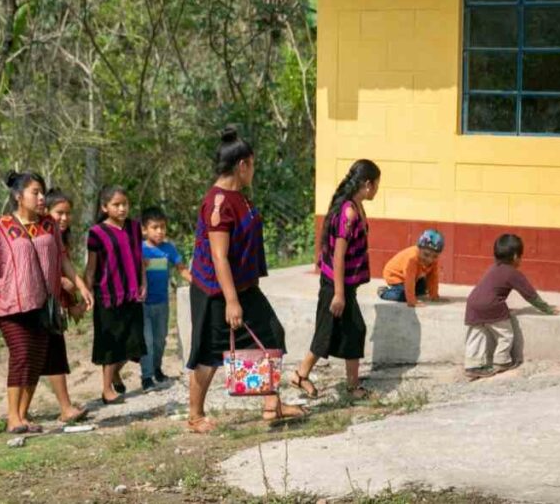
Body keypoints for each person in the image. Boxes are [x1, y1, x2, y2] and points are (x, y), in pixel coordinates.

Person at [186, 126, 305, 433]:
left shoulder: (239, 198)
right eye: (253, 165)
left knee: (270, 334)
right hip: (217, 292)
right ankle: (195, 416)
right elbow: (219, 256)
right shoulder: (218, 204)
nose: (254, 171)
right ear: (242, 165)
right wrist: (231, 301)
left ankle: (271, 405)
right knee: (209, 353)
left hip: (245, 288)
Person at [0, 171, 94, 434]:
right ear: (19, 196)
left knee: (34, 359)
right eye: (35, 192)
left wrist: (80, 286)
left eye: (42, 192)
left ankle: (21, 417)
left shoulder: (50, 225)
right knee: (21, 355)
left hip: (44, 304)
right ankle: (12, 417)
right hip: (11, 304)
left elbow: (63, 259)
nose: (41, 197)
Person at [291, 159, 381, 401]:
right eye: (378, 184)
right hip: (335, 285)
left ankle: (351, 386)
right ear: (368, 184)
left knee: (354, 331)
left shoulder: (355, 206)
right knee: (325, 334)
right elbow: (339, 255)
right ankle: (301, 375)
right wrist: (339, 293)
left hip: (345, 285)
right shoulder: (349, 212)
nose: (378, 189)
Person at [463, 234, 559, 381]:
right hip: (492, 306)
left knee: (476, 336)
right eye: (521, 256)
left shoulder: (493, 268)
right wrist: (547, 309)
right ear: (515, 257)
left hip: (472, 305)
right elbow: (530, 295)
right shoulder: (513, 273)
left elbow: (489, 291)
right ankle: (502, 361)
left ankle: (473, 365)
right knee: (505, 334)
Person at [85, 186, 147, 404]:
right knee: (111, 345)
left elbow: (139, 258)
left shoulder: (134, 228)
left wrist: (143, 282)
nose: (122, 209)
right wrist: (86, 292)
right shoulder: (96, 233)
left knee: (135, 344)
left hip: (132, 294)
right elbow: (91, 268)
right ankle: (106, 389)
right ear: (105, 207)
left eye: (125, 204)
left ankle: (115, 373)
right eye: (116, 205)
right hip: (108, 296)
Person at [40, 188, 91, 423]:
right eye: (59, 212)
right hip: (39, 304)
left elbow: (65, 267)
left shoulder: (61, 239)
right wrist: (61, 282)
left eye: (68, 213)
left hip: (55, 305)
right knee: (49, 356)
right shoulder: (40, 234)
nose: (64, 218)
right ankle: (65, 407)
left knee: (48, 356)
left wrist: (74, 300)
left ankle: (20, 412)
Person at [139, 206, 192, 391]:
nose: (160, 231)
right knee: (147, 341)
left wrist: (198, 282)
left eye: (162, 227)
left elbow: (181, 269)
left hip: (162, 303)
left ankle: (156, 369)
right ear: (144, 229)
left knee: (160, 339)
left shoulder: (168, 248)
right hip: (143, 304)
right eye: (155, 227)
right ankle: (146, 377)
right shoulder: (139, 249)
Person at [378, 229, 444, 307]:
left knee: (422, 289)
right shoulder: (412, 259)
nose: (430, 260)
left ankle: (406, 291)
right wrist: (412, 301)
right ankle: (384, 292)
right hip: (395, 276)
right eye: (426, 255)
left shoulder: (433, 261)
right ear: (419, 248)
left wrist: (434, 296)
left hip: (414, 276)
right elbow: (409, 279)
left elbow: (433, 277)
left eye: (435, 256)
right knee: (404, 296)